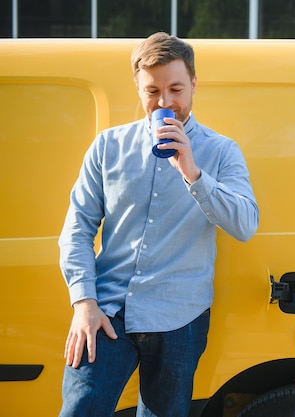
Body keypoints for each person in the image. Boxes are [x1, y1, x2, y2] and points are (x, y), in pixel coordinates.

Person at [58, 32, 259, 417]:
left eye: (176, 89)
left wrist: (192, 172)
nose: (165, 102)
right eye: (152, 91)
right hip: (106, 312)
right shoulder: (107, 146)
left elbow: (246, 224)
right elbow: (77, 228)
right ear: (137, 86)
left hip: (179, 317)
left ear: (194, 84)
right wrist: (83, 302)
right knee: (80, 410)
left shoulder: (220, 151)